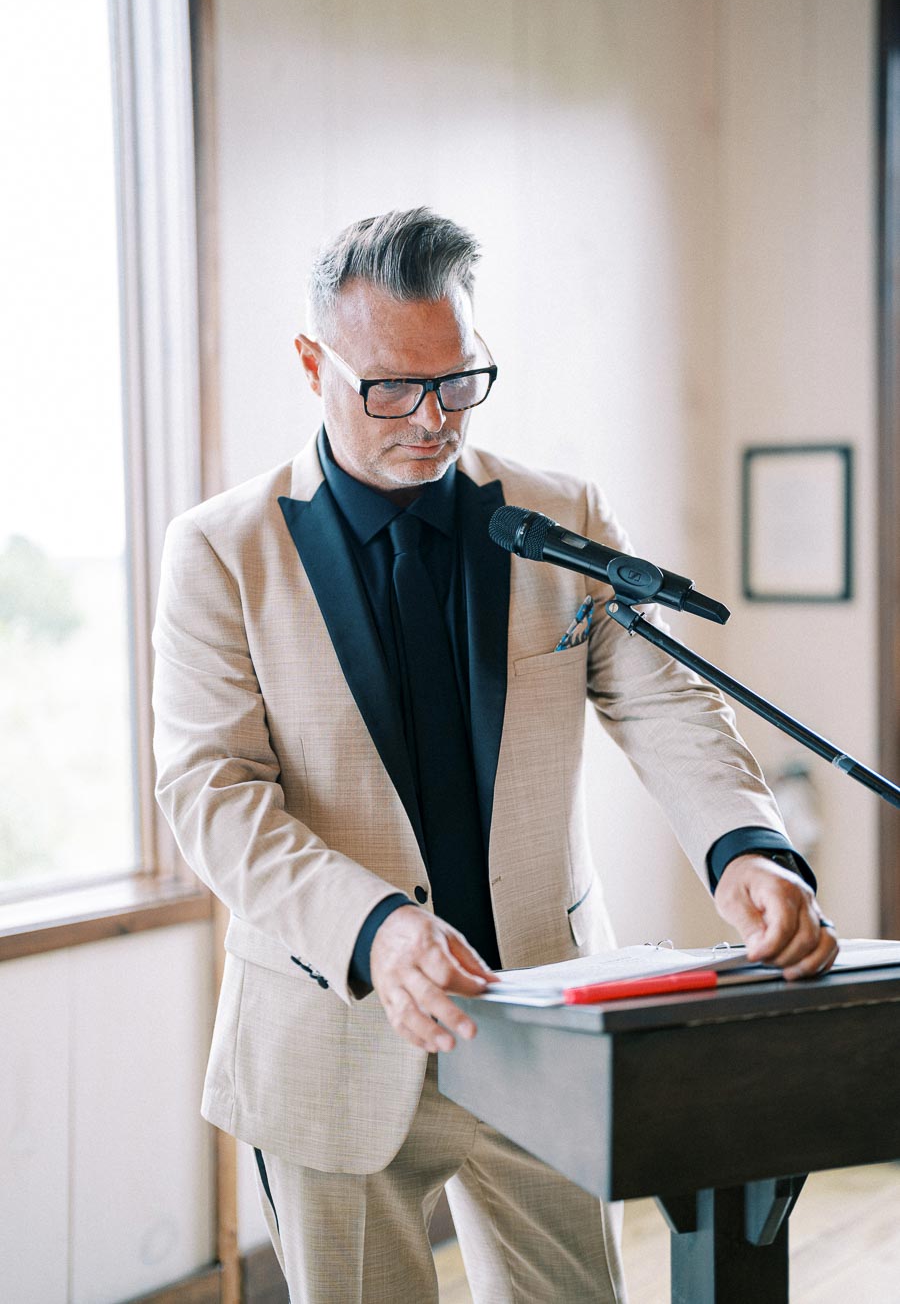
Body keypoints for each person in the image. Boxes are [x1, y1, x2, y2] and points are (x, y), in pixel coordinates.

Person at [152, 208, 838, 1303]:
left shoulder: (560, 516)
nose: (431, 420)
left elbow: (662, 698)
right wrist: (374, 930)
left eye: (459, 382)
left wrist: (745, 848)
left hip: (545, 1028)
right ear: (310, 362)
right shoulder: (218, 552)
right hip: (329, 1037)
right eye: (391, 387)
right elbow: (212, 796)